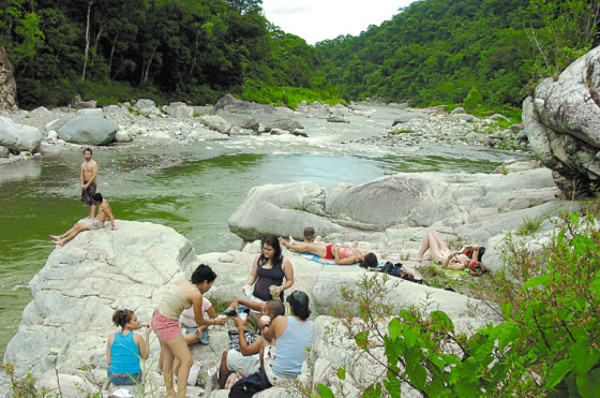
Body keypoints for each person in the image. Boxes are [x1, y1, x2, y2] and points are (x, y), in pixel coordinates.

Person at [151, 264, 226, 398]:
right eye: (210, 284)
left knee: (168, 357)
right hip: (167, 325)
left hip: (157, 318)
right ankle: (181, 395)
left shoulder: (182, 282)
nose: (209, 288)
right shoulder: (196, 295)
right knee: (187, 360)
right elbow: (199, 320)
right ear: (204, 282)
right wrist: (215, 321)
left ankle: (170, 393)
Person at [218, 299, 285, 389]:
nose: (261, 313)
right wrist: (239, 300)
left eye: (264, 312)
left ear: (270, 317)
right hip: (273, 361)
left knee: (227, 355)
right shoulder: (283, 325)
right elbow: (260, 306)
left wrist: (240, 327)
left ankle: (220, 389)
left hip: (263, 370)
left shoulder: (269, 335)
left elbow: (245, 351)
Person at [260, 290, 313, 385]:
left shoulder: (280, 320)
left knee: (265, 341)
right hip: (302, 377)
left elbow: (267, 336)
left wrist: (265, 326)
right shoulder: (313, 325)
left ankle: (263, 377)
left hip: (279, 377)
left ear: (291, 307)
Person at [50, 192, 116, 246]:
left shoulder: (103, 205)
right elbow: (110, 209)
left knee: (78, 228)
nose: (95, 203)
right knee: (76, 225)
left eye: (96, 201)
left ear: (98, 201)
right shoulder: (104, 201)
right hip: (96, 221)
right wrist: (106, 217)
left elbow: (111, 215)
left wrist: (113, 226)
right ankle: (60, 237)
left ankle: (63, 242)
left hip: (98, 223)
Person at [106, 309, 151, 387]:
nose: (138, 321)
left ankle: (106, 385)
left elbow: (109, 362)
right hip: (132, 378)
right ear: (127, 325)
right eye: (135, 320)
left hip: (114, 377)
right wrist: (147, 336)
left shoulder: (111, 337)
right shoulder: (137, 336)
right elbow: (145, 356)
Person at [242, 236, 294, 302]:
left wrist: (281, 288)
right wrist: (247, 285)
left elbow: (290, 280)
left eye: (269, 250)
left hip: (274, 301)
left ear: (276, 250)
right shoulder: (259, 258)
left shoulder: (284, 262)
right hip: (256, 298)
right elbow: (253, 275)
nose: (266, 252)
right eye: (264, 248)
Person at [278, 236, 378, 268]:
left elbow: (338, 262)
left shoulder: (353, 259)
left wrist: (337, 251)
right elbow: (348, 250)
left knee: (308, 247)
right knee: (313, 245)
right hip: (331, 248)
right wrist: (350, 247)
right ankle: (294, 242)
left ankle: (288, 245)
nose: (364, 251)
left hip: (329, 253)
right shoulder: (357, 253)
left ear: (365, 259)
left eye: (366, 253)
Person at [414, 232, 480, 270]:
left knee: (430, 235)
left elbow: (445, 266)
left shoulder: (461, 266)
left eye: (468, 263)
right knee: (434, 234)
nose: (468, 261)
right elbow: (477, 247)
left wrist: (450, 257)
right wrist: (471, 247)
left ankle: (419, 257)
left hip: (440, 257)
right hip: (447, 251)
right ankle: (430, 256)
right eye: (470, 261)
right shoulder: (474, 260)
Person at [81, 147, 98, 219]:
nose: (87, 155)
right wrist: (82, 184)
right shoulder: (83, 164)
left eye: (88, 154)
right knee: (87, 199)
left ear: (91, 155)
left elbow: (94, 175)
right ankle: (90, 214)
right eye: (86, 154)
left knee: (92, 199)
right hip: (85, 182)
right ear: (84, 155)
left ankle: (92, 216)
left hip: (92, 183)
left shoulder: (94, 164)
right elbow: (81, 175)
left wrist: (87, 184)